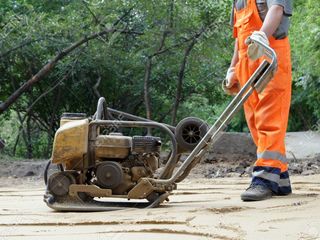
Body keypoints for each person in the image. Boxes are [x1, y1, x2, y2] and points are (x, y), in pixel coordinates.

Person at [222, 0, 293, 201]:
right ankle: (280, 180)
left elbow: (277, 10)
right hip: (247, 61)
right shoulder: (238, 1)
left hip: (270, 54)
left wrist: (262, 34)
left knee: (269, 120)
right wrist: (233, 68)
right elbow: (239, 38)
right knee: (254, 121)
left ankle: (264, 179)